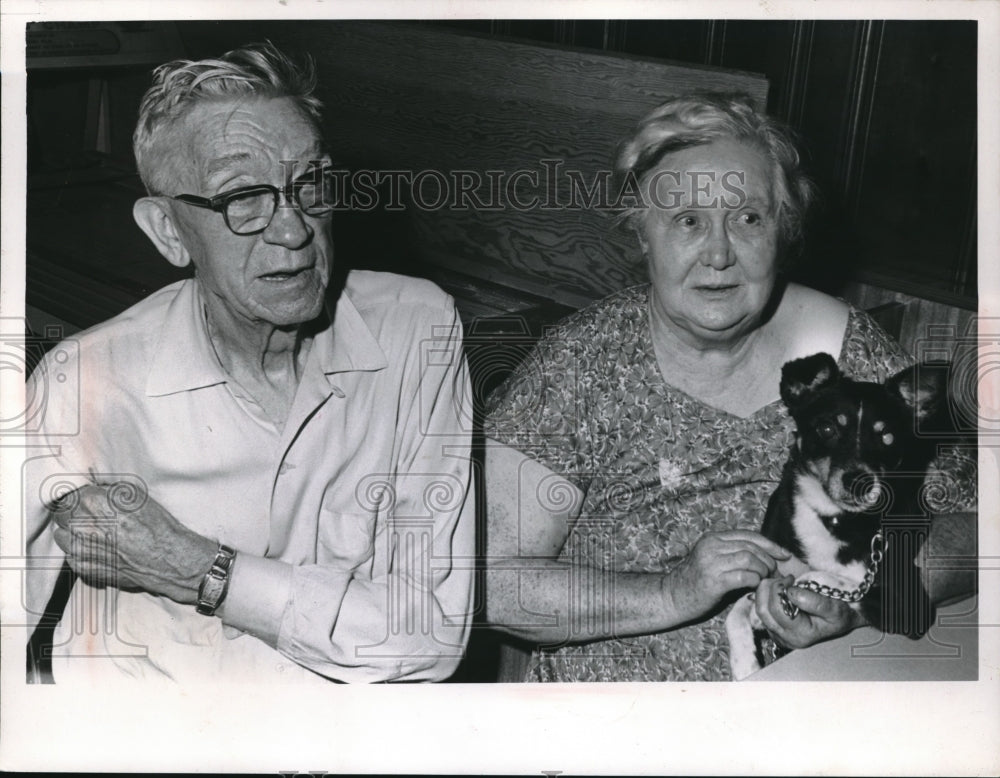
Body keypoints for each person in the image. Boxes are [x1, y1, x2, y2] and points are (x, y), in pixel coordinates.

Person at [481, 93, 976, 682]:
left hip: (813, 706)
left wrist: (860, 605)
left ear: (783, 231)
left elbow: (976, 525)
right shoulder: (581, 367)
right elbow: (491, 583)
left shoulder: (846, 349)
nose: (718, 254)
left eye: (747, 219)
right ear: (642, 234)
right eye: (687, 221)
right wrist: (672, 593)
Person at [24, 43, 475, 684]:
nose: (293, 229)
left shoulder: (416, 331)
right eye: (243, 197)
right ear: (168, 232)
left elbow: (428, 639)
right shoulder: (84, 381)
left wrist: (197, 570)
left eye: (310, 184)